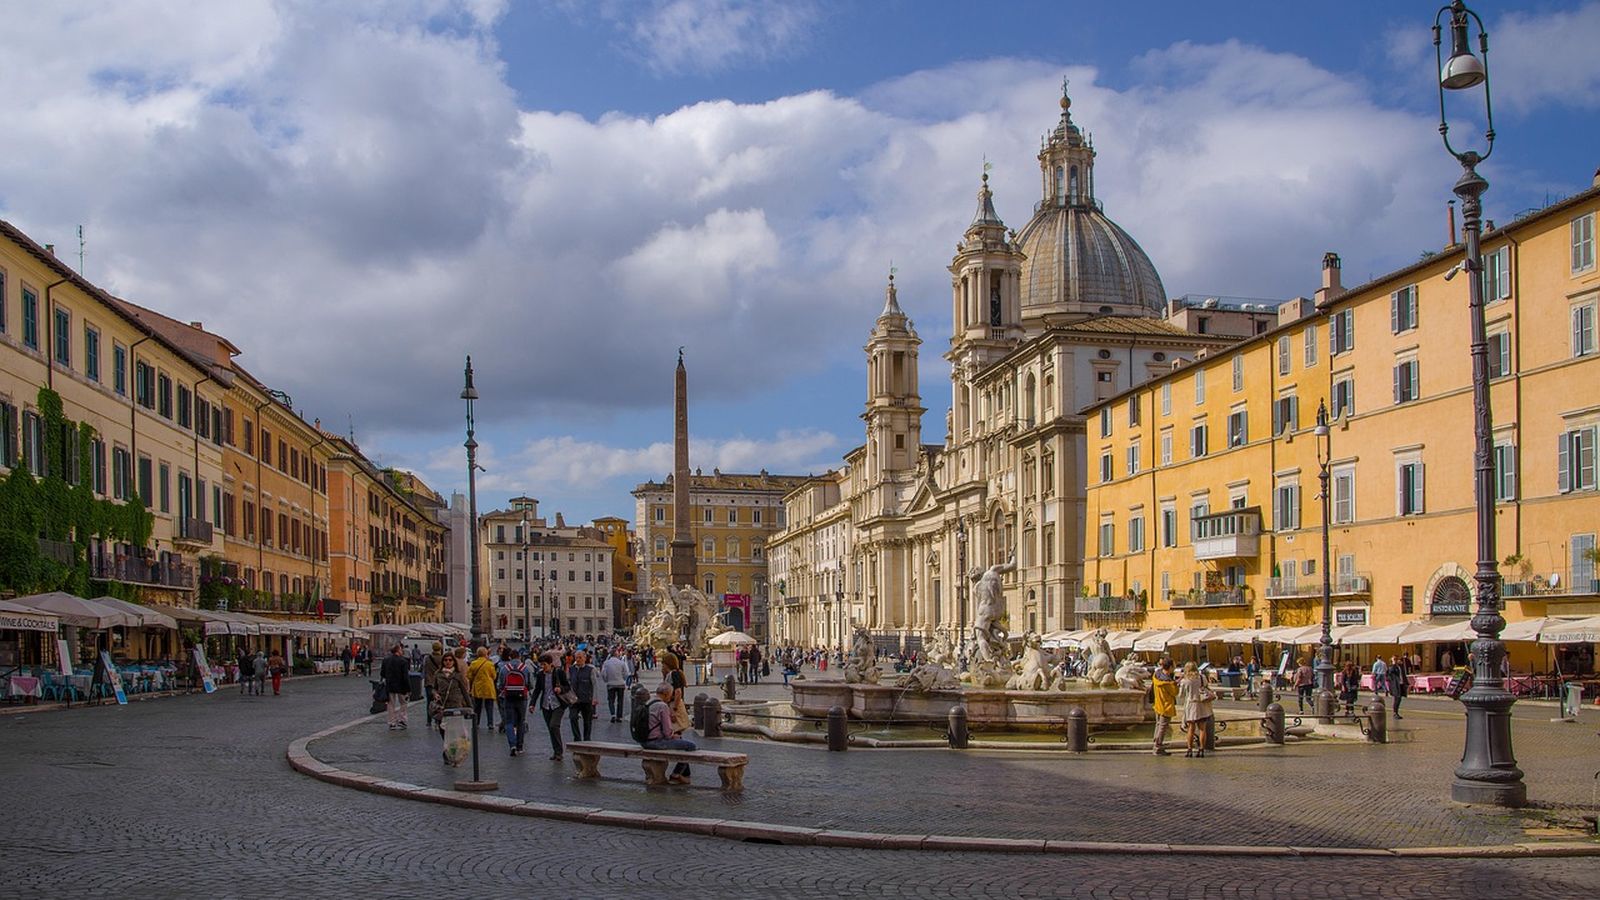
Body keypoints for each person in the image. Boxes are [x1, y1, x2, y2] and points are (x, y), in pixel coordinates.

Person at [641, 681, 696, 784]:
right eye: (670, 696)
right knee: (690, 746)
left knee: (681, 741)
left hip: (644, 740)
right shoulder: (663, 706)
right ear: (666, 694)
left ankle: (681, 775)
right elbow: (667, 732)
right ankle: (676, 774)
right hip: (656, 742)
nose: (669, 699)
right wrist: (673, 735)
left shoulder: (648, 702)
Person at [532, 654, 571, 760]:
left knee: (554, 725)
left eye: (544, 664)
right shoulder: (540, 675)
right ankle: (556, 751)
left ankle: (559, 751)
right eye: (541, 665)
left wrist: (561, 689)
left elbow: (567, 686)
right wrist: (532, 704)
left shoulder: (559, 673)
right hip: (546, 705)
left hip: (558, 704)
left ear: (550, 664)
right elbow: (537, 690)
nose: (542, 667)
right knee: (550, 728)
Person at [1177, 661, 1215, 758]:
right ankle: (1201, 749)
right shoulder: (1202, 677)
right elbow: (1206, 687)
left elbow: (1181, 695)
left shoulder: (1185, 681)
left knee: (1191, 728)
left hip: (1191, 705)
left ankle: (1189, 749)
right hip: (1202, 705)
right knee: (1202, 729)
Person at [498, 649, 532, 756]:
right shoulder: (525, 668)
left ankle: (512, 745)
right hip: (522, 697)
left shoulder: (504, 668)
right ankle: (520, 746)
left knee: (509, 722)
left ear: (510, 657)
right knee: (521, 721)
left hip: (508, 697)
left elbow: (500, 684)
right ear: (519, 657)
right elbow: (530, 684)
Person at [431, 652, 472, 737]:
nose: (448, 662)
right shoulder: (438, 674)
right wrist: (435, 694)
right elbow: (434, 688)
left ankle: (451, 748)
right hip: (442, 705)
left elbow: (464, 691)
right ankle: (446, 747)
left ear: (453, 662)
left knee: (455, 730)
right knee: (443, 729)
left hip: (455, 705)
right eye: (445, 660)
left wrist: (470, 706)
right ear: (443, 662)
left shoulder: (458, 675)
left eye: (450, 660)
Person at [567, 651, 598, 741]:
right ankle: (577, 738)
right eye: (576, 657)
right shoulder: (571, 669)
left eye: (580, 657)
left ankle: (587, 739)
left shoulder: (590, 669)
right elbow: (568, 683)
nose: (578, 659)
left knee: (587, 721)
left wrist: (594, 698)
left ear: (585, 658)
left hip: (586, 699)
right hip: (574, 700)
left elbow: (594, 684)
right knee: (573, 718)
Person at [1151, 656, 1179, 756]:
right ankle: (1158, 747)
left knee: (1158, 725)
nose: (1175, 667)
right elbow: (1175, 692)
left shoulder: (1157, 674)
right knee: (1162, 727)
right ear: (1170, 667)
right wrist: (1176, 684)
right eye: (1174, 666)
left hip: (1158, 703)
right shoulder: (1168, 682)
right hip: (1166, 706)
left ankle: (1155, 743)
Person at [380, 644, 412, 730]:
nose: (402, 651)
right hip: (401, 685)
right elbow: (406, 676)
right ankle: (402, 719)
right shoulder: (403, 661)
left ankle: (392, 722)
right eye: (401, 650)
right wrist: (409, 688)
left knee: (391, 704)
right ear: (398, 650)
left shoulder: (386, 660)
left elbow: (382, 673)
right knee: (403, 703)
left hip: (390, 684)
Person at [467, 647, 498, 733]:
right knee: (489, 706)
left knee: (477, 706)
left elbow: (469, 676)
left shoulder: (473, 663)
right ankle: (490, 723)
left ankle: (476, 723)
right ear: (486, 654)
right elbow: (494, 676)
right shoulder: (490, 664)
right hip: (488, 687)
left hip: (478, 687)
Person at [659, 651, 691, 736]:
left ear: (668, 664)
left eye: (663, 664)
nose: (662, 666)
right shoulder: (672, 674)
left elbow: (678, 692)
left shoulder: (673, 674)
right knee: (673, 730)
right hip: (673, 703)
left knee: (674, 729)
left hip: (674, 704)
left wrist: (674, 709)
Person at [600, 648, 632, 723]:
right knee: (620, 701)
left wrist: (606, 680)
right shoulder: (621, 663)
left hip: (610, 684)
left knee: (611, 700)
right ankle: (619, 716)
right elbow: (626, 673)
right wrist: (623, 679)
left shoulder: (606, 663)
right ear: (617, 654)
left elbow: (603, 673)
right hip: (620, 683)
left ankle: (613, 714)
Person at [422, 642, 444, 719]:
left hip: (429, 682)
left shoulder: (427, 658)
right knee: (439, 701)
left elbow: (424, 669)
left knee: (429, 702)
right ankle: (438, 718)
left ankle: (429, 719)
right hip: (439, 682)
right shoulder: (442, 659)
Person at [1385, 654, 1409, 720]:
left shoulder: (1400, 666)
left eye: (1397, 659)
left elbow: (1403, 674)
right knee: (1396, 698)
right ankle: (1395, 713)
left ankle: (1396, 712)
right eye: (1394, 659)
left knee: (1399, 699)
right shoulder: (1391, 667)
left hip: (1401, 684)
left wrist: (1406, 683)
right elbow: (1390, 672)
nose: (1396, 660)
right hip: (1395, 685)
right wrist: (1393, 663)